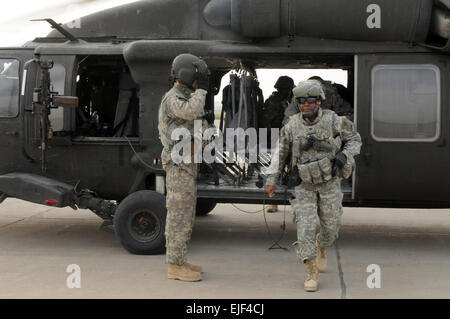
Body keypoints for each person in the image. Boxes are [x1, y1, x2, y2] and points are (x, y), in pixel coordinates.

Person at [265, 80, 362, 292]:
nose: (306, 104)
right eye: (301, 101)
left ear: (319, 100)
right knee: (305, 227)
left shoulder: (335, 121)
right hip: (304, 185)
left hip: (329, 183)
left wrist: (344, 156)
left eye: (310, 100)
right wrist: (271, 179)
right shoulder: (291, 125)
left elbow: (355, 140)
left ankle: (322, 247)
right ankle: (311, 270)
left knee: (330, 229)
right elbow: (279, 154)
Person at [158, 53, 210, 282]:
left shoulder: (187, 96)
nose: (200, 82)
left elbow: (204, 128)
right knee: (178, 215)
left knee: (187, 215)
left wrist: (202, 139)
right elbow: (192, 112)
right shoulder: (173, 98)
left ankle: (180, 260)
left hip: (188, 164)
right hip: (179, 166)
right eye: (198, 77)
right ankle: (174, 265)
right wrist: (203, 91)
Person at [262, 76, 295, 213]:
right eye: (284, 89)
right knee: (275, 171)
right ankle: (273, 202)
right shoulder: (272, 102)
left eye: (288, 89)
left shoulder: (293, 101)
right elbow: (267, 122)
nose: (286, 91)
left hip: (291, 138)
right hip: (276, 137)